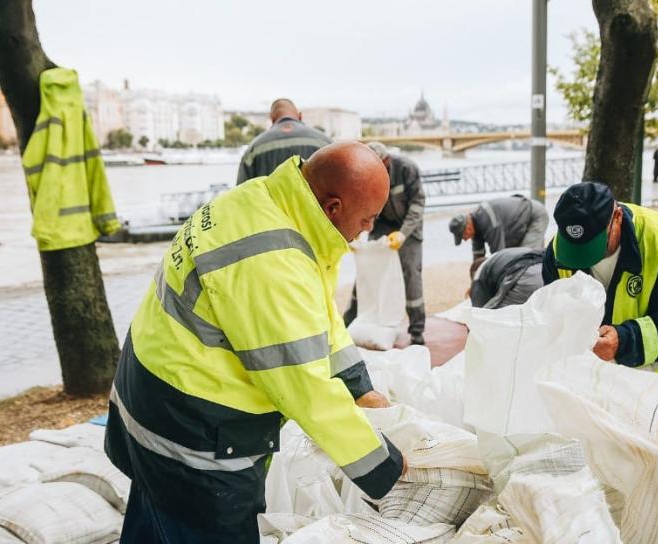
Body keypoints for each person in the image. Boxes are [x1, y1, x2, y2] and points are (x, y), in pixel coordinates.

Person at [106, 143, 406, 544]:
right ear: (333, 206)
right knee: (196, 524)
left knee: (157, 520)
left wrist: (358, 384)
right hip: (191, 431)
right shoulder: (274, 261)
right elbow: (308, 391)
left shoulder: (269, 200)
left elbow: (319, 315)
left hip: (152, 386)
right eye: (367, 218)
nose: (369, 228)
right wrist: (385, 467)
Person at [542, 181, 658, 384]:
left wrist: (623, 340)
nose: (586, 260)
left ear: (617, 217)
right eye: (577, 251)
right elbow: (554, 314)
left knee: (644, 414)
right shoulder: (558, 252)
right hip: (600, 365)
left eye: (594, 246)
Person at [343, 142, 426, 345]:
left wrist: (403, 234)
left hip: (408, 227)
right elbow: (363, 205)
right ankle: (348, 324)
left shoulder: (407, 168)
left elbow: (417, 204)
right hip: (381, 225)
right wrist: (356, 235)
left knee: (411, 276)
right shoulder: (365, 174)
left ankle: (417, 333)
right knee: (368, 270)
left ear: (386, 161)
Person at [236, 98, 331, 183]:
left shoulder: (255, 147)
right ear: (300, 116)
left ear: (272, 119)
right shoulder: (325, 143)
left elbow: (240, 192)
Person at [448, 195, 549, 261]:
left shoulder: (488, 220)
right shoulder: (475, 227)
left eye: (463, 236)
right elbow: (478, 259)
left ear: (468, 228)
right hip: (517, 226)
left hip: (534, 217)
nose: (465, 239)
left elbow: (499, 256)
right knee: (515, 260)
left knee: (526, 259)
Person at [469, 247, 545, 309]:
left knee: (493, 317)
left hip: (526, 276)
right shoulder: (500, 256)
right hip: (547, 272)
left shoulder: (479, 273)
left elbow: (477, 309)